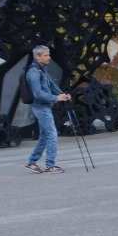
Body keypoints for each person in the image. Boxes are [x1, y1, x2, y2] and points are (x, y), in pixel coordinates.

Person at [23, 45, 71, 175]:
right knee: (52, 134)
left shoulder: (42, 69)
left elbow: (52, 85)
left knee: (44, 136)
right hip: (40, 107)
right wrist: (56, 98)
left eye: (48, 54)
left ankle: (32, 162)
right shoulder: (33, 72)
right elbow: (38, 94)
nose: (49, 57)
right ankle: (50, 165)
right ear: (38, 57)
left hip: (45, 107)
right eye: (46, 55)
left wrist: (63, 95)